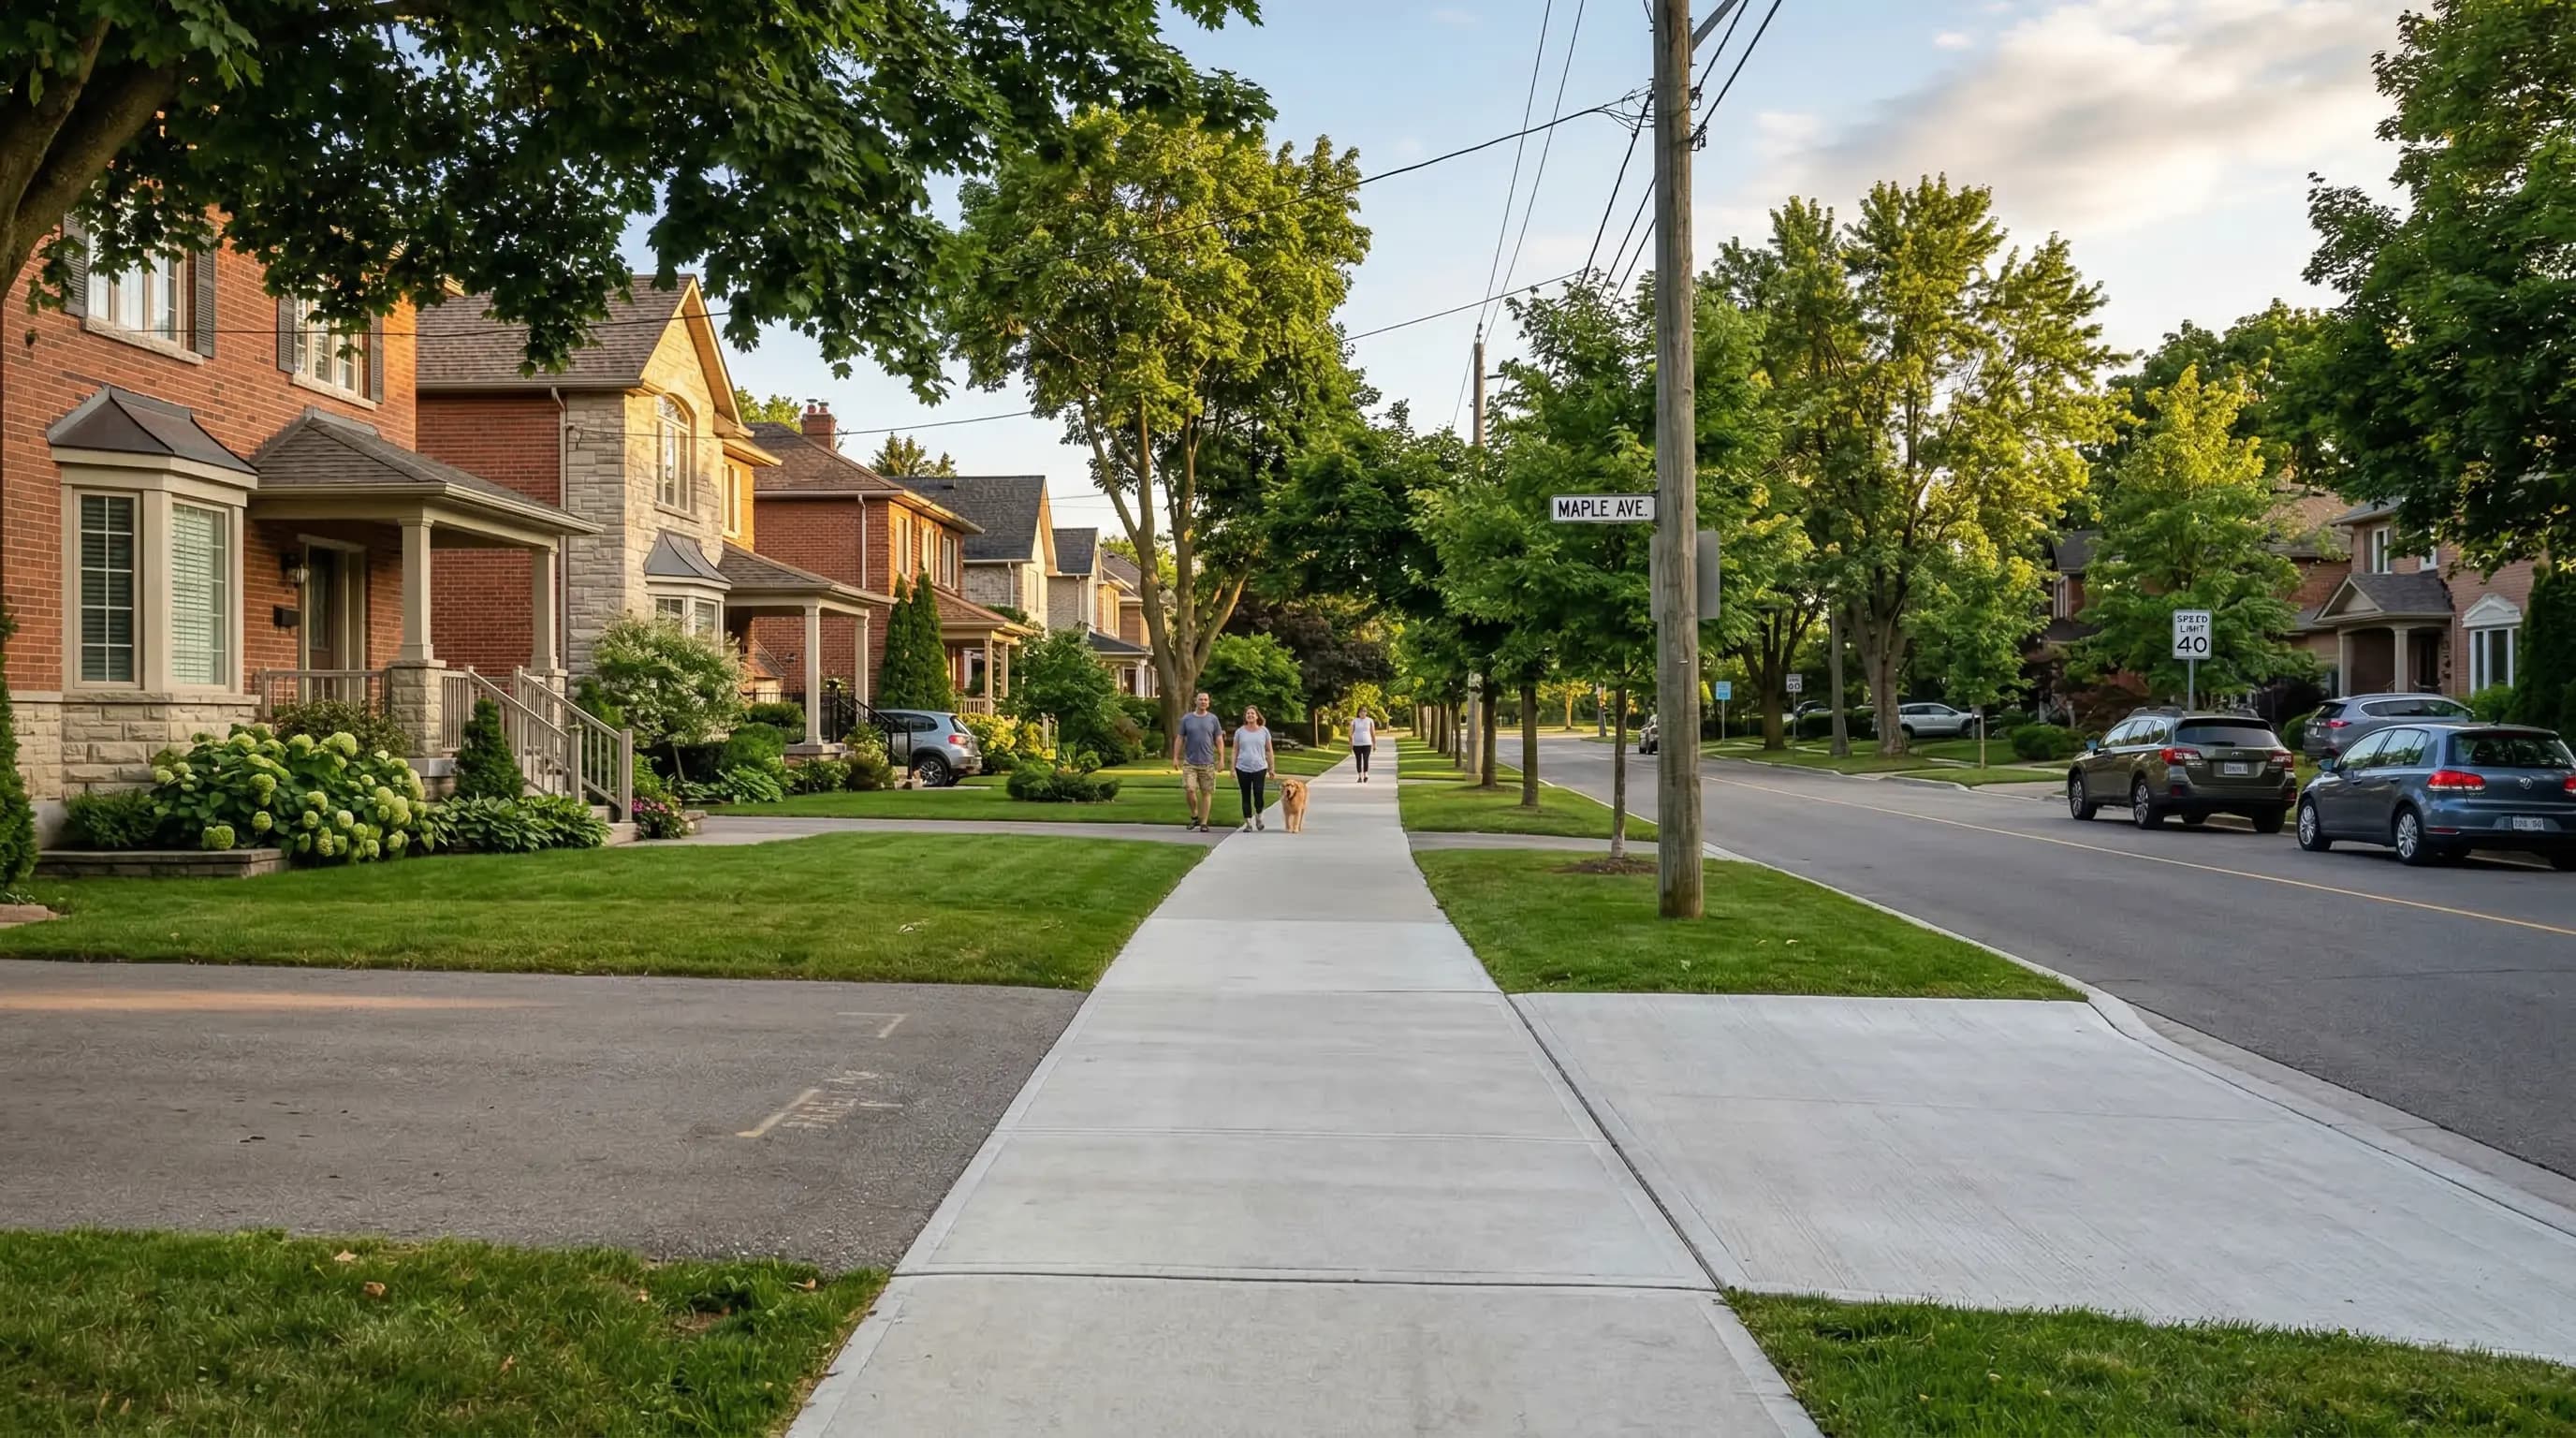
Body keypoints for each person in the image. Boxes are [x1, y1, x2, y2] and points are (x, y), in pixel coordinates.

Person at [1171, 691, 1224, 833]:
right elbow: (1180, 738)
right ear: (1196, 701)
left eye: (1206, 700)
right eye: (1201, 699)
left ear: (1209, 702)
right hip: (1190, 762)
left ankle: (1204, 822)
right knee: (1190, 789)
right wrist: (1175, 757)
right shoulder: (1187, 719)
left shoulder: (1213, 719)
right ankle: (1194, 814)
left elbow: (1218, 739)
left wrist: (1221, 758)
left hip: (1208, 763)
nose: (1203, 702)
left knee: (1207, 793)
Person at [1232, 705, 1278, 831]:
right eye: (1248, 714)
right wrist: (1232, 769)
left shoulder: (1264, 731)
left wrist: (1271, 768)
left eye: (1252, 713)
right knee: (1245, 795)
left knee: (1258, 794)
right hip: (1242, 767)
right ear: (1245, 717)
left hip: (1259, 767)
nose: (1250, 715)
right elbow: (1235, 750)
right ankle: (1248, 824)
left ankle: (1259, 817)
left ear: (1257, 716)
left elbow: (1269, 750)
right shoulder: (1240, 732)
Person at [1348, 709, 1377, 782]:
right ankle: (1360, 776)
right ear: (1358, 713)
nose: (1363, 713)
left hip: (1367, 743)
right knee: (1358, 760)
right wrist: (1351, 743)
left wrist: (1374, 744)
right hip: (1357, 744)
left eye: (1365, 711)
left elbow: (1373, 733)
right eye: (1361, 711)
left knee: (1366, 759)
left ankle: (1365, 774)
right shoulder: (1354, 721)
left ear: (1366, 713)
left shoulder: (1370, 720)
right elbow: (1350, 733)